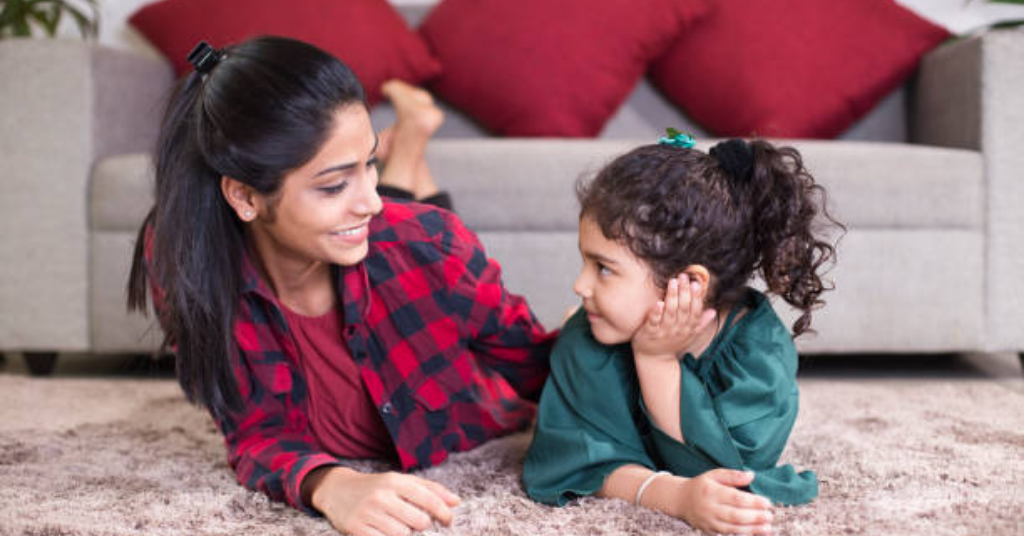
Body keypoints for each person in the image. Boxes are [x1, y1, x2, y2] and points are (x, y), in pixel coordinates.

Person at [127, 36, 554, 536]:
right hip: (359, 245)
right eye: (334, 183)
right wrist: (331, 485)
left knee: (399, 231)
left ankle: (408, 142)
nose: (368, 201)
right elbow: (253, 431)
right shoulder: (186, 258)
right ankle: (408, 144)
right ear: (243, 196)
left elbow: (539, 365)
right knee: (379, 222)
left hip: (417, 274)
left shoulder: (431, 245)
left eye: (369, 161)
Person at [522, 131, 842, 535]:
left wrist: (656, 360)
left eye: (603, 268)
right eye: (585, 263)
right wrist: (672, 496)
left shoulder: (760, 355)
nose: (580, 285)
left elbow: (725, 474)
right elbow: (571, 460)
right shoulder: (587, 336)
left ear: (689, 283)